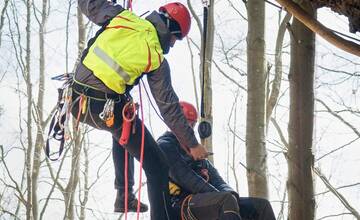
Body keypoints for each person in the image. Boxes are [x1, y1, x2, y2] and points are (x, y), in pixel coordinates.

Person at [71, 1, 209, 219]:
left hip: (76, 102)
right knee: (158, 166)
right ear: (171, 30)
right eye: (176, 38)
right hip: (104, 109)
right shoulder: (156, 58)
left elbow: (88, 3)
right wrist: (192, 144)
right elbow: (169, 107)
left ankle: (123, 196)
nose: (173, 44)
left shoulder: (121, 16)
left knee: (124, 123)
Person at [157, 101, 277, 220]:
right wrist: (218, 194)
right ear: (174, 123)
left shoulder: (196, 151)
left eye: (192, 125)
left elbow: (217, 179)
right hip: (181, 203)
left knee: (261, 206)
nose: (190, 128)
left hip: (208, 200)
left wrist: (230, 194)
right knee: (225, 201)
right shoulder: (165, 146)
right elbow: (186, 178)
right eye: (186, 123)